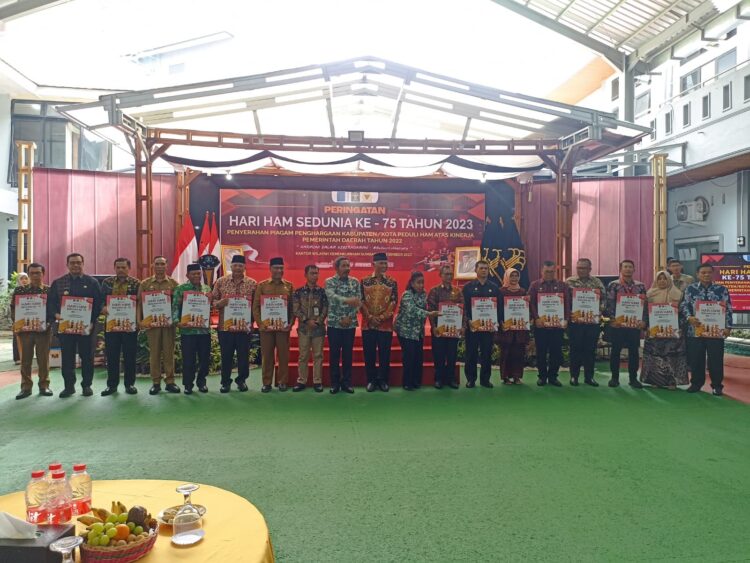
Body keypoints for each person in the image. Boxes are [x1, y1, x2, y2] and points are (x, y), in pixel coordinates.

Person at [47, 253, 103, 398]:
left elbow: (98, 304)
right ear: (67, 265)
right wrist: (56, 315)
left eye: (78, 262)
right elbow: (51, 303)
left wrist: (92, 321)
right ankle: (69, 387)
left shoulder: (92, 282)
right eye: (72, 263)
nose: (76, 265)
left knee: (87, 357)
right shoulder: (58, 283)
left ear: (83, 264)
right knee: (67, 358)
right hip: (65, 327)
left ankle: (86, 386)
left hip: (86, 328)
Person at [680, 263, 732, 396]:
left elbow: (728, 308)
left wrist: (728, 327)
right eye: (703, 272)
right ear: (697, 274)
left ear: (713, 274)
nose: (706, 275)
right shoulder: (690, 289)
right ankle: (696, 384)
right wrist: (689, 317)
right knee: (696, 358)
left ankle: (717, 386)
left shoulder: (722, 289)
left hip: (716, 331)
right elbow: (684, 305)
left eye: (709, 272)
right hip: (695, 330)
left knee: (716, 359)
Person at [212, 254, 256, 393]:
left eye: (240, 266)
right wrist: (220, 303)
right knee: (226, 356)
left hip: (244, 327)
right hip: (225, 327)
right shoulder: (221, 281)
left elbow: (257, 306)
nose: (237, 268)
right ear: (231, 266)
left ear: (244, 267)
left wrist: (252, 321)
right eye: (235, 265)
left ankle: (241, 381)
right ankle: (225, 382)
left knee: (243, 356)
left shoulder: (252, 283)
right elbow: (212, 301)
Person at [138, 256, 180, 395]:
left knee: (169, 353)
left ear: (166, 266)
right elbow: (139, 304)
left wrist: (176, 320)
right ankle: (156, 383)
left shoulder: (174, 283)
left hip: (168, 325)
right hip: (152, 325)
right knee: (154, 353)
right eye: (157, 264)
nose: (160, 266)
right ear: (153, 266)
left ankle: (170, 382)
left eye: (162, 264)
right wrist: (139, 321)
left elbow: (178, 304)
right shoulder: (145, 284)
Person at [252, 257, 294, 393]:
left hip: (283, 328)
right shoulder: (262, 285)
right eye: (276, 268)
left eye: (281, 268)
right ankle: (267, 383)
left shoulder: (289, 286)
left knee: (283, 356)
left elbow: (292, 308)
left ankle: (282, 382)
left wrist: (290, 324)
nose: (279, 270)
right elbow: (256, 307)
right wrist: (260, 324)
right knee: (267, 356)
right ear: (270, 269)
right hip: (266, 328)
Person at [641, 270, 688, 389]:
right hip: (654, 331)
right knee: (654, 356)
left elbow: (683, 313)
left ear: (669, 280)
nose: (662, 281)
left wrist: (680, 327)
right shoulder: (649, 294)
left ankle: (672, 382)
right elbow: (645, 312)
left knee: (672, 356)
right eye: (659, 279)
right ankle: (656, 381)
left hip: (673, 331)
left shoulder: (678, 294)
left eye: (665, 278)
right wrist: (646, 326)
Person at [100, 258, 141, 396]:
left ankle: (130, 384)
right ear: (114, 268)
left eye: (123, 267)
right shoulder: (107, 282)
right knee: (112, 356)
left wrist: (139, 320)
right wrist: (102, 307)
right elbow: (100, 299)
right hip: (112, 326)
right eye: (118, 267)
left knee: (130, 356)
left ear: (129, 268)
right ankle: (112, 386)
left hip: (130, 325)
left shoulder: (136, 283)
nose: (121, 270)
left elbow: (140, 303)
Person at [605, 260, 647, 389]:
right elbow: (609, 303)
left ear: (634, 269)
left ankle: (633, 379)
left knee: (634, 352)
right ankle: (614, 378)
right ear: (620, 269)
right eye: (625, 267)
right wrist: (612, 319)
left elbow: (644, 306)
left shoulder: (640, 286)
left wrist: (643, 321)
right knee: (615, 351)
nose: (628, 269)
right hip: (617, 325)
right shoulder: (613, 285)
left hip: (634, 325)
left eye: (630, 267)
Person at [12, 263, 52, 399]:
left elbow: (53, 309)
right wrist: (17, 323)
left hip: (43, 331)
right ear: (28, 274)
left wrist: (47, 323)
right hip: (25, 331)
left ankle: (44, 386)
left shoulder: (49, 291)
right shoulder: (19, 290)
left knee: (43, 359)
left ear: (43, 274)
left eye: (38, 273)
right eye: (32, 273)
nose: (35, 276)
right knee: (25, 360)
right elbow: (13, 308)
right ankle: (26, 387)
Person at [395, 271, 440, 390]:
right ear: (412, 283)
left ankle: (416, 381)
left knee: (418, 358)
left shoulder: (424, 294)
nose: (421, 285)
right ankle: (407, 383)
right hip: (406, 331)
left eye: (422, 282)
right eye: (418, 283)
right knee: (409, 358)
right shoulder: (407, 295)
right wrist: (429, 313)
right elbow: (412, 311)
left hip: (418, 331)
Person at [361, 252, 398, 392]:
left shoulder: (392, 282)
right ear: (374, 264)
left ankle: (383, 380)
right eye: (381, 263)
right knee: (369, 353)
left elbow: (393, 302)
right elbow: (361, 301)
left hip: (385, 325)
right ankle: (371, 380)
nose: (384, 266)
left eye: (385, 263)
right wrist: (370, 317)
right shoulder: (364, 281)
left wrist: (382, 318)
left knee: (385, 354)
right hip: (368, 324)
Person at [172, 263, 212, 394]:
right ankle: (188, 385)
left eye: (198, 273)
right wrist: (177, 322)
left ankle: (202, 382)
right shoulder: (181, 289)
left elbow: (209, 307)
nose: (196, 276)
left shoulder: (206, 288)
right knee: (188, 359)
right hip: (188, 331)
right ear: (187, 275)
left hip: (204, 330)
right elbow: (175, 307)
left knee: (204, 359)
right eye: (193, 274)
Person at [565, 258, 605, 387]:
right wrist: (568, 313)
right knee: (575, 349)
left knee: (590, 350)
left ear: (589, 269)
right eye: (579, 268)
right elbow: (564, 300)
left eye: (583, 268)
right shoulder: (569, 282)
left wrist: (599, 310)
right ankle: (574, 376)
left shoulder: (597, 282)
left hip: (592, 323)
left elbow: (604, 300)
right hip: (575, 322)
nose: (581, 270)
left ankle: (589, 377)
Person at [529, 261, 569, 387]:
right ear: (542, 271)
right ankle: (542, 377)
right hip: (541, 326)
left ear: (555, 272)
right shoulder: (535, 285)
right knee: (541, 352)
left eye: (552, 272)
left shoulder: (562, 285)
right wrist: (536, 318)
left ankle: (553, 377)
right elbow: (531, 303)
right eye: (547, 271)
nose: (549, 274)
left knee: (556, 352)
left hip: (557, 326)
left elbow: (567, 303)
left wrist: (566, 319)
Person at [324, 257, 361, 394]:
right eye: (344, 266)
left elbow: (358, 301)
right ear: (336, 268)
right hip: (334, 323)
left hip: (349, 324)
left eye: (348, 265)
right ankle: (334, 383)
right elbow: (332, 298)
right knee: (334, 354)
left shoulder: (355, 282)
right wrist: (346, 302)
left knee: (347, 354)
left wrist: (349, 317)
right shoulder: (329, 282)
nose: (347, 268)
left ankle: (346, 382)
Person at [462, 259, 499, 388]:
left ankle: (485, 380)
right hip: (472, 326)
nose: (484, 270)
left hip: (488, 327)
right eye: (481, 268)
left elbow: (498, 307)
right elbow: (464, 307)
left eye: (486, 268)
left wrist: (495, 323)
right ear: (475, 270)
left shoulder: (494, 287)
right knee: (471, 353)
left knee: (487, 354)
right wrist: (468, 321)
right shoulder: (468, 287)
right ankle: (471, 379)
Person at [292, 265, 328, 393]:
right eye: (312, 273)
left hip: (318, 329)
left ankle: (317, 381)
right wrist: (307, 320)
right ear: (305, 275)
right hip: (304, 329)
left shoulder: (322, 292)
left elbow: (325, 308)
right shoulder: (298, 292)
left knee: (318, 355)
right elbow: (296, 309)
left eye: (316, 273)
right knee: (303, 356)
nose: (315, 276)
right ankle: (301, 380)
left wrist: (318, 321)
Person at [427, 265, 463, 389]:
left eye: (451, 274)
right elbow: (431, 310)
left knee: (452, 355)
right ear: (440, 275)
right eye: (446, 274)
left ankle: (451, 379)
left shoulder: (458, 291)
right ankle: (438, 379)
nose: (449, 276)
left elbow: (463, 310)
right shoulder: (434, 291)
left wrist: (463, 326)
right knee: (439, 355)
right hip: (439, 329)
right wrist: (433, 327)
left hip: (453, 329)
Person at [498, 268, 529, 385]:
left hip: (520, 328)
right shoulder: (501, 291)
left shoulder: (523, 291)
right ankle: (505, 377)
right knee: (506, 352)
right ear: (507, 277)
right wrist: (501, 322)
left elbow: (526, 309)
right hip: (506, 328)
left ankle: (517, 376)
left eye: (516, 276)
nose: (514, 278)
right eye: (512, 276)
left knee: (518, 352)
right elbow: (498, 308)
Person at [12, 272, 30, 364]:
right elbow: (13, 305)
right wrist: (15, 319)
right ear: (18, 280)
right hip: (18, 317)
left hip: (30, 317)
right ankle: (17, 358)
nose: (24, 280)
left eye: (26, 278)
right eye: (22, 278)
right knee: (17, 337)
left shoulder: (32, 290)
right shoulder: (16, 290)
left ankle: (27, 356)